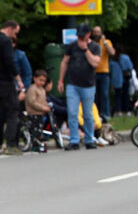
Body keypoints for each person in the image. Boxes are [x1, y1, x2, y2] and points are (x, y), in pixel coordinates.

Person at [58, 22, 101, 150]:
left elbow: (95, 63)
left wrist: (85, 49)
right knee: (72, 112)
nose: (80, 39)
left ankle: (89, 139)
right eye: (79, 36)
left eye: (83, 36)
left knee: (87, 114)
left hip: (88, 85)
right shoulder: (71, 46)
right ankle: (74, 140)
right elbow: (65, 62)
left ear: (89, 34)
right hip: (72, 84)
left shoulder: (95, 47)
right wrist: (61, 80)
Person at [0, 20, 23, 155]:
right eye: (15, 32)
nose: (15, 36)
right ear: (10, 29)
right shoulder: (6, 42)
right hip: (5, 82)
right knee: (12, 111)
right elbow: (9, 61)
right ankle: (11, 144)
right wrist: (18, 78)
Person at [25, 70, 52, 152]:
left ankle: (39, 142)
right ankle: (34, 144)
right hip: (33, 112)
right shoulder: (32, 89)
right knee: (34, 129)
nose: (42, 83)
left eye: (44, 81)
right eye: (40, 80)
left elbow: (43, 100)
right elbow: (32, 102)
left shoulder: (42, 90)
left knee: (40, 128)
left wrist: (46, 106)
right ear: (35, 79)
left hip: (41, 113)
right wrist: (43, 108)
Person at [91, 25, 116, 117]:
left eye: (98, 32)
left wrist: (104, 42)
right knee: (94, 95)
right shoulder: (91, 43)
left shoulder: (106, 42)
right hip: (93, 73)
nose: (97, 34)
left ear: (101, 33)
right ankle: (96, 114)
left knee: (104, 94)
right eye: (95, 32)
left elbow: (112, 52)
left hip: (104, 72)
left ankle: (106, 114)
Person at [117, 46, 134, 115]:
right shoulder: (126, 57)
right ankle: (126, 110)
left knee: (118, 95)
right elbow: (130, 67)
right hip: (125, 78)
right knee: (126, 94)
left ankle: (119, 110)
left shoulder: (114, 58)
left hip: (117, 78)